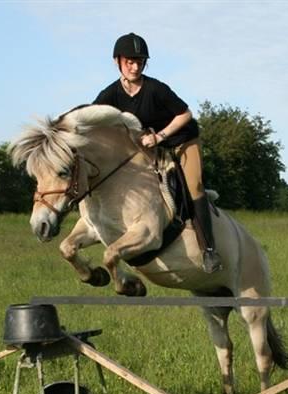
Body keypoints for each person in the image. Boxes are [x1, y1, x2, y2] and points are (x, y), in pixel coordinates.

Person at [93, 32, 222, 274]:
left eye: (139, 62)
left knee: (193, 187)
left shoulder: (156, 89)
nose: (134, 67)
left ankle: (209, 251)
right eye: (129, 62)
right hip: (149, 148)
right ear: (117, 62)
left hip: (181, 140)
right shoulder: (110, 94)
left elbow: (186, 114)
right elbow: (93, 119)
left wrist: (160, 136)